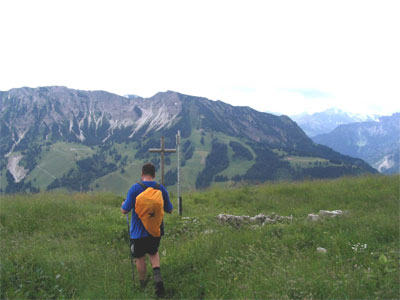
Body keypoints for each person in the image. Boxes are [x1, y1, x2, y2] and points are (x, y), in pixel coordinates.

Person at [121, 162, 173, 298]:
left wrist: (123, 204)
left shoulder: (135, 189)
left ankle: (142, 284)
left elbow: (124, 210)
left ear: (142, 174)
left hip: (138, 233)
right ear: (154, 175)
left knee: (139, 258)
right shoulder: (160, 188)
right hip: (155, 231)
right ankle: (157, 277)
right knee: (153, 253)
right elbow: (170, 209)